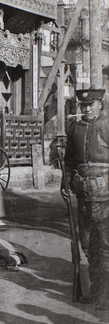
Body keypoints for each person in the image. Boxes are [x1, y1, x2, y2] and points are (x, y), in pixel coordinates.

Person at [62, 88, 109, 307]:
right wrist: (66, 183)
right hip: (84, 196)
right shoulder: (76, 128)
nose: (87, 109)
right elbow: (70, 160)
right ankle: (97, 289)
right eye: (84, 106)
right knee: (88, 244)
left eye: (92, 104)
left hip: (106, 196)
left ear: (101, 104)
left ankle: (103, 293)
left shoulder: (107, 124)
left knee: (105, 245)